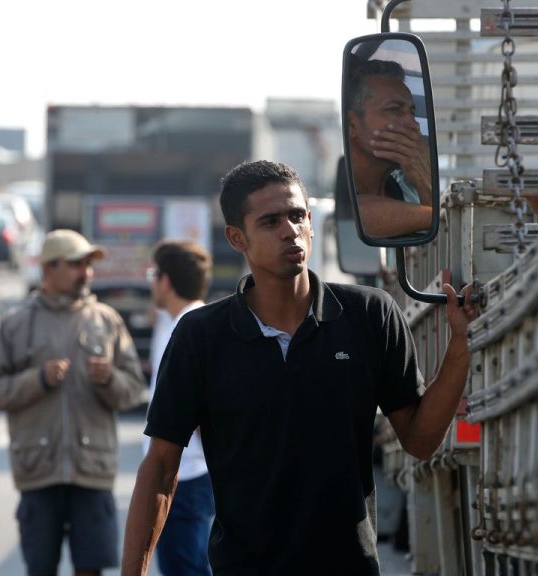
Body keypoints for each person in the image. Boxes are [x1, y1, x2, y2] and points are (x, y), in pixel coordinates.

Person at [122, 160, 476, 575]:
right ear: (238, 238)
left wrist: (459, 347)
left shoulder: (368, 315)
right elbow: (161, 466)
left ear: (310, 220)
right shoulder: (200, 336)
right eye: (270, 221)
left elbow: (419, 439)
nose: (290, 230)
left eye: (296, 215)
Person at [0, 228, 147, 576]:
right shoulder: (17, 324)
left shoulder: (107, 320)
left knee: (91, 568)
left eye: (88, 264)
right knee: (41, 568)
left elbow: (134, 391)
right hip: (39, 472)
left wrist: (109, 379)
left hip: (93, 472)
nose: (85, 272)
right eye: (75, 264)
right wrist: (37, 379)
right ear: (48, 269)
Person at [143, 240, 215, 576]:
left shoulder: (190, 328)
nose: (151, 283)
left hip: (186, 476)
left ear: (166, 281)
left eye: (153, 275)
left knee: (185, 568)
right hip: (181, 473)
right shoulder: (176, 321)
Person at [346, 58, 434, 237]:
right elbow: (356, 214)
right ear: (352, 124)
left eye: (412, 112)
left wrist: (426, 183)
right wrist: (437, 216)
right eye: (394, 110)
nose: (414, 125)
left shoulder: (407, 188)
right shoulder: (340, 194)